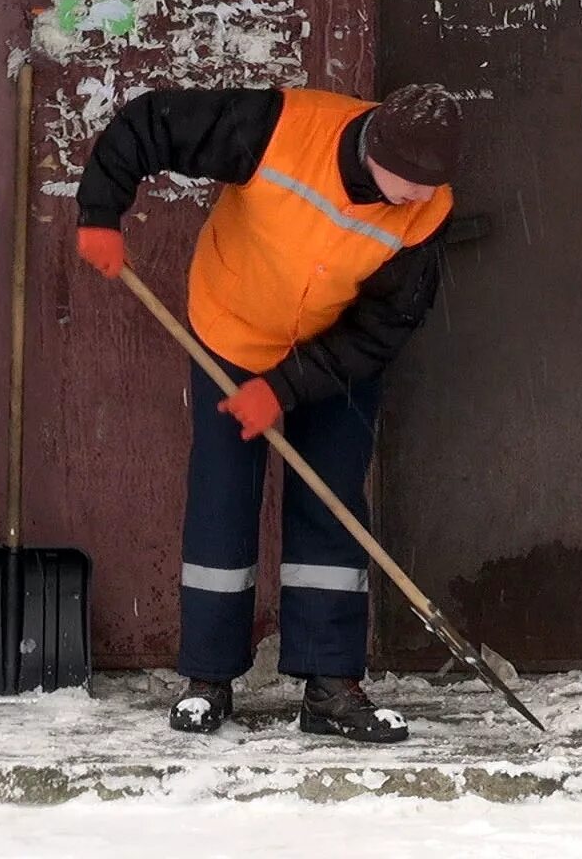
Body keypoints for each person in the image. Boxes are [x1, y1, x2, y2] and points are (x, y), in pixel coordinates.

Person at [74, 82, 462, 744]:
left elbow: (382, 327)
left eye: (433, 186)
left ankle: (331, 685)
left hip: (333, 352)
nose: (420, 198)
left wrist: (282, 389)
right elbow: (150, 123)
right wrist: (100, 212)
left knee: (331, 496)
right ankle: (208, 679)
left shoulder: (426, 212)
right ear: (376, 147)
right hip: (232, 327)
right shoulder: (278, 128)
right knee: (223, 493)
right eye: (410, 183)